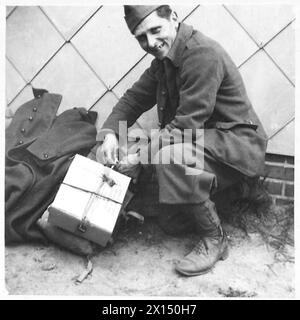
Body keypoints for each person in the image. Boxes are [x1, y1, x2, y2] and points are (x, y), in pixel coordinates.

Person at [98, 5, 267, 276]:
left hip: (236, 145)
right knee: (171, 223)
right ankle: (228, 198)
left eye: (155, 30)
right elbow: (133, 100)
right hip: (206, 143)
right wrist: (108, 134)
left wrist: (138, 160)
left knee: (170, 155)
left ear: (174, 18)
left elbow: (185, 127)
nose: (150, 43)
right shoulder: (164, 63)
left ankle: (215, 239)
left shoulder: (201, 55)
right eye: (141, 37)